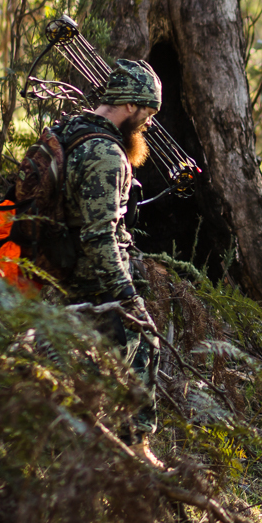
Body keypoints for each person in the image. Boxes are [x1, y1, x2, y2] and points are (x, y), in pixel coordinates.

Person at [67, 58, 163, 439]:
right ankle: (132, 452)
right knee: (144, 345)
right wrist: (126, 294)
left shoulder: (71, 129)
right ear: (128, 106)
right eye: (146, 112)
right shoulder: (106, 155)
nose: (148, 122)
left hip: (60, 269)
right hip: (90, 281)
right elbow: (98, 235)